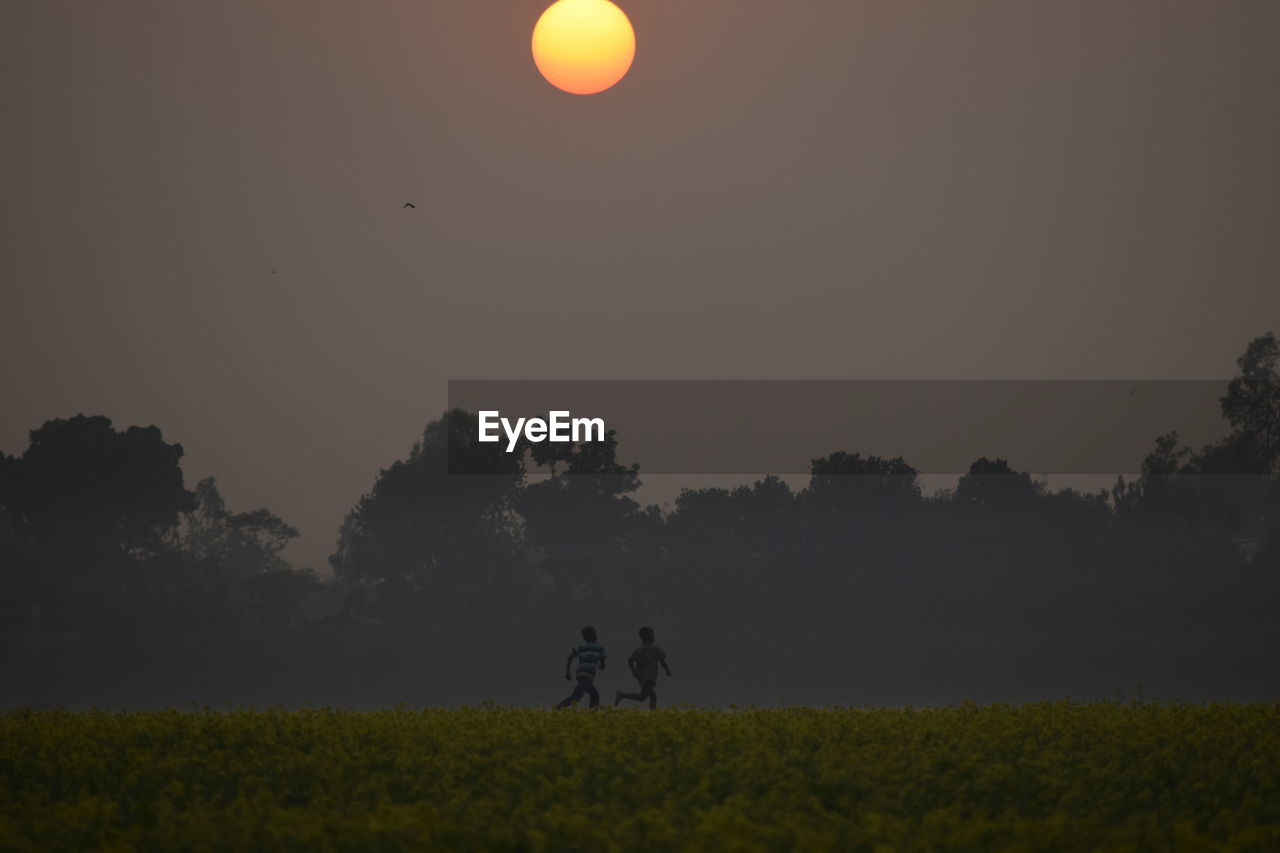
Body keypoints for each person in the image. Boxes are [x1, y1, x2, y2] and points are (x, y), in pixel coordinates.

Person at [615, 626, 671, 709]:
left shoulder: (639, 650)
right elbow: (662, 662)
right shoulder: (655, 649)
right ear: (651, 637)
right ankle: (622, 695)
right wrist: (667, 671)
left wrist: (634, 672)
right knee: (642, 697)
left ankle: (653, 715)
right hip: (650, 677)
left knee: (653, 697)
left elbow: (630, 660)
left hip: (641, 677)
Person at [555, 625, 606, 709]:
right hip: (587, 676)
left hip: (579, 675)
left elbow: (570, 657)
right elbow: (602, 667)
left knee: (594, 694)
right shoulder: (600, 649)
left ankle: (592, 715)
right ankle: (558, 707)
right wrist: (602, 663)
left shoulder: (581, 648)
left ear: (584, 638)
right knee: (576, 698)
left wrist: (568, 673)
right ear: (595, 635)